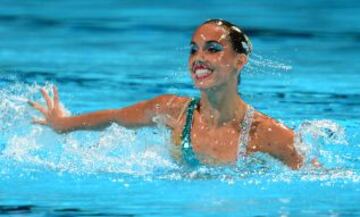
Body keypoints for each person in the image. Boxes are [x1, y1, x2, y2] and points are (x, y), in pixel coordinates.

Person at [28, 19, 304, 169]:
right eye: (193, 49)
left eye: (213, 49)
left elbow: (316, 176)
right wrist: (61, 124)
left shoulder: (267, 133)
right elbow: (114, 118)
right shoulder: (173, 111)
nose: (198, 58)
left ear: (239, 61)